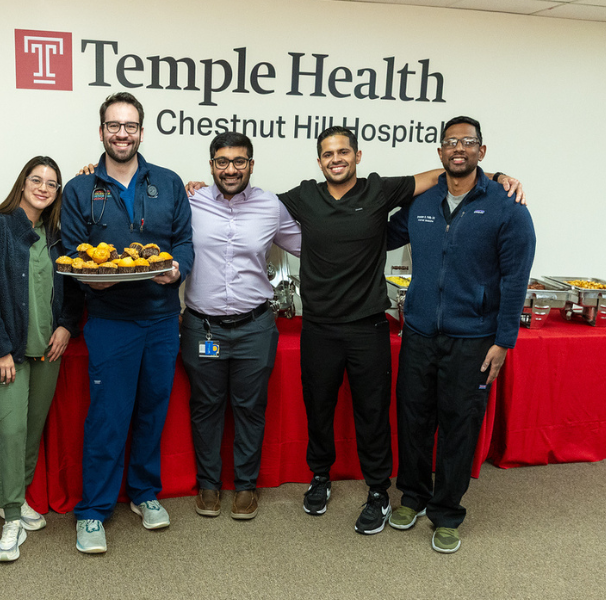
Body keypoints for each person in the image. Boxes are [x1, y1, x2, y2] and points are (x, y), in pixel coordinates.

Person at [277, 126, 524, 535]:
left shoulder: (384, 192)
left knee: (378, 416)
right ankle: (332, 480)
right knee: (334, 410)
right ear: (319, 161)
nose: (336, 158)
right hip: (333, 328)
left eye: (343, 151)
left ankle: (386, 494)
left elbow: (443, 173)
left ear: (358, 155)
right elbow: (250, 201)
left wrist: (496, 176)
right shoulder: (306, 196)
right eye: (328, 154)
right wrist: (204, 187)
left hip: (377, 328)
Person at [386, 116, 535, 553]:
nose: (459, 149)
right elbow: (376, 234)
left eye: (468, 142)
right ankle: (412, 496)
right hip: (418, 332)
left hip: (473, 339)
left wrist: (504, 340)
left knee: (459, 425)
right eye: (451, 142)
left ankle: (447, 512)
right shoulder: (422, 203)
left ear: (482, 153)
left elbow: (515, 279)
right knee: (413, 419)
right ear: (439, 153)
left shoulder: (508, 207)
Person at [61, 92, 194, 553]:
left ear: (141, 130)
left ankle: (144, 493)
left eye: (130, 125)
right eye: (114, 126)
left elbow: (184, 243)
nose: (122, 133)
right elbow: (73, 251)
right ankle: (93, 511)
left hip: (161, 321)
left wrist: (178, 269)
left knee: (152, 411)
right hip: (110, 320)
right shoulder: (80, 189)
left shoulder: (170, 183)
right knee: (108, 417)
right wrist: (88, 281)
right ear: (102, 132)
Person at [0, 156, 82, 563]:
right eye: (37, 179)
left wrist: (66, 325)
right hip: (8, 353)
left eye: (52, 183)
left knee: (32, 431)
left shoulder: (57, 236)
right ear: (23, 182)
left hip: (49, 351)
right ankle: (11, 516)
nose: (44, 188)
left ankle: (14, 498)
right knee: (11, 431)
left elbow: (72, 288)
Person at [181, 132, 300, 520]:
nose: (230, 169)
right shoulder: (191, 201)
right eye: (222, 162)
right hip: (204, 329)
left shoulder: (271, 206)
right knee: (206, 407)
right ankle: (209, 485)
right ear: (211, 164)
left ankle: (246, 486)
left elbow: (308, 242)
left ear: (251, 164)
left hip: (254, 327)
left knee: (250, 408)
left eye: (239, 161)